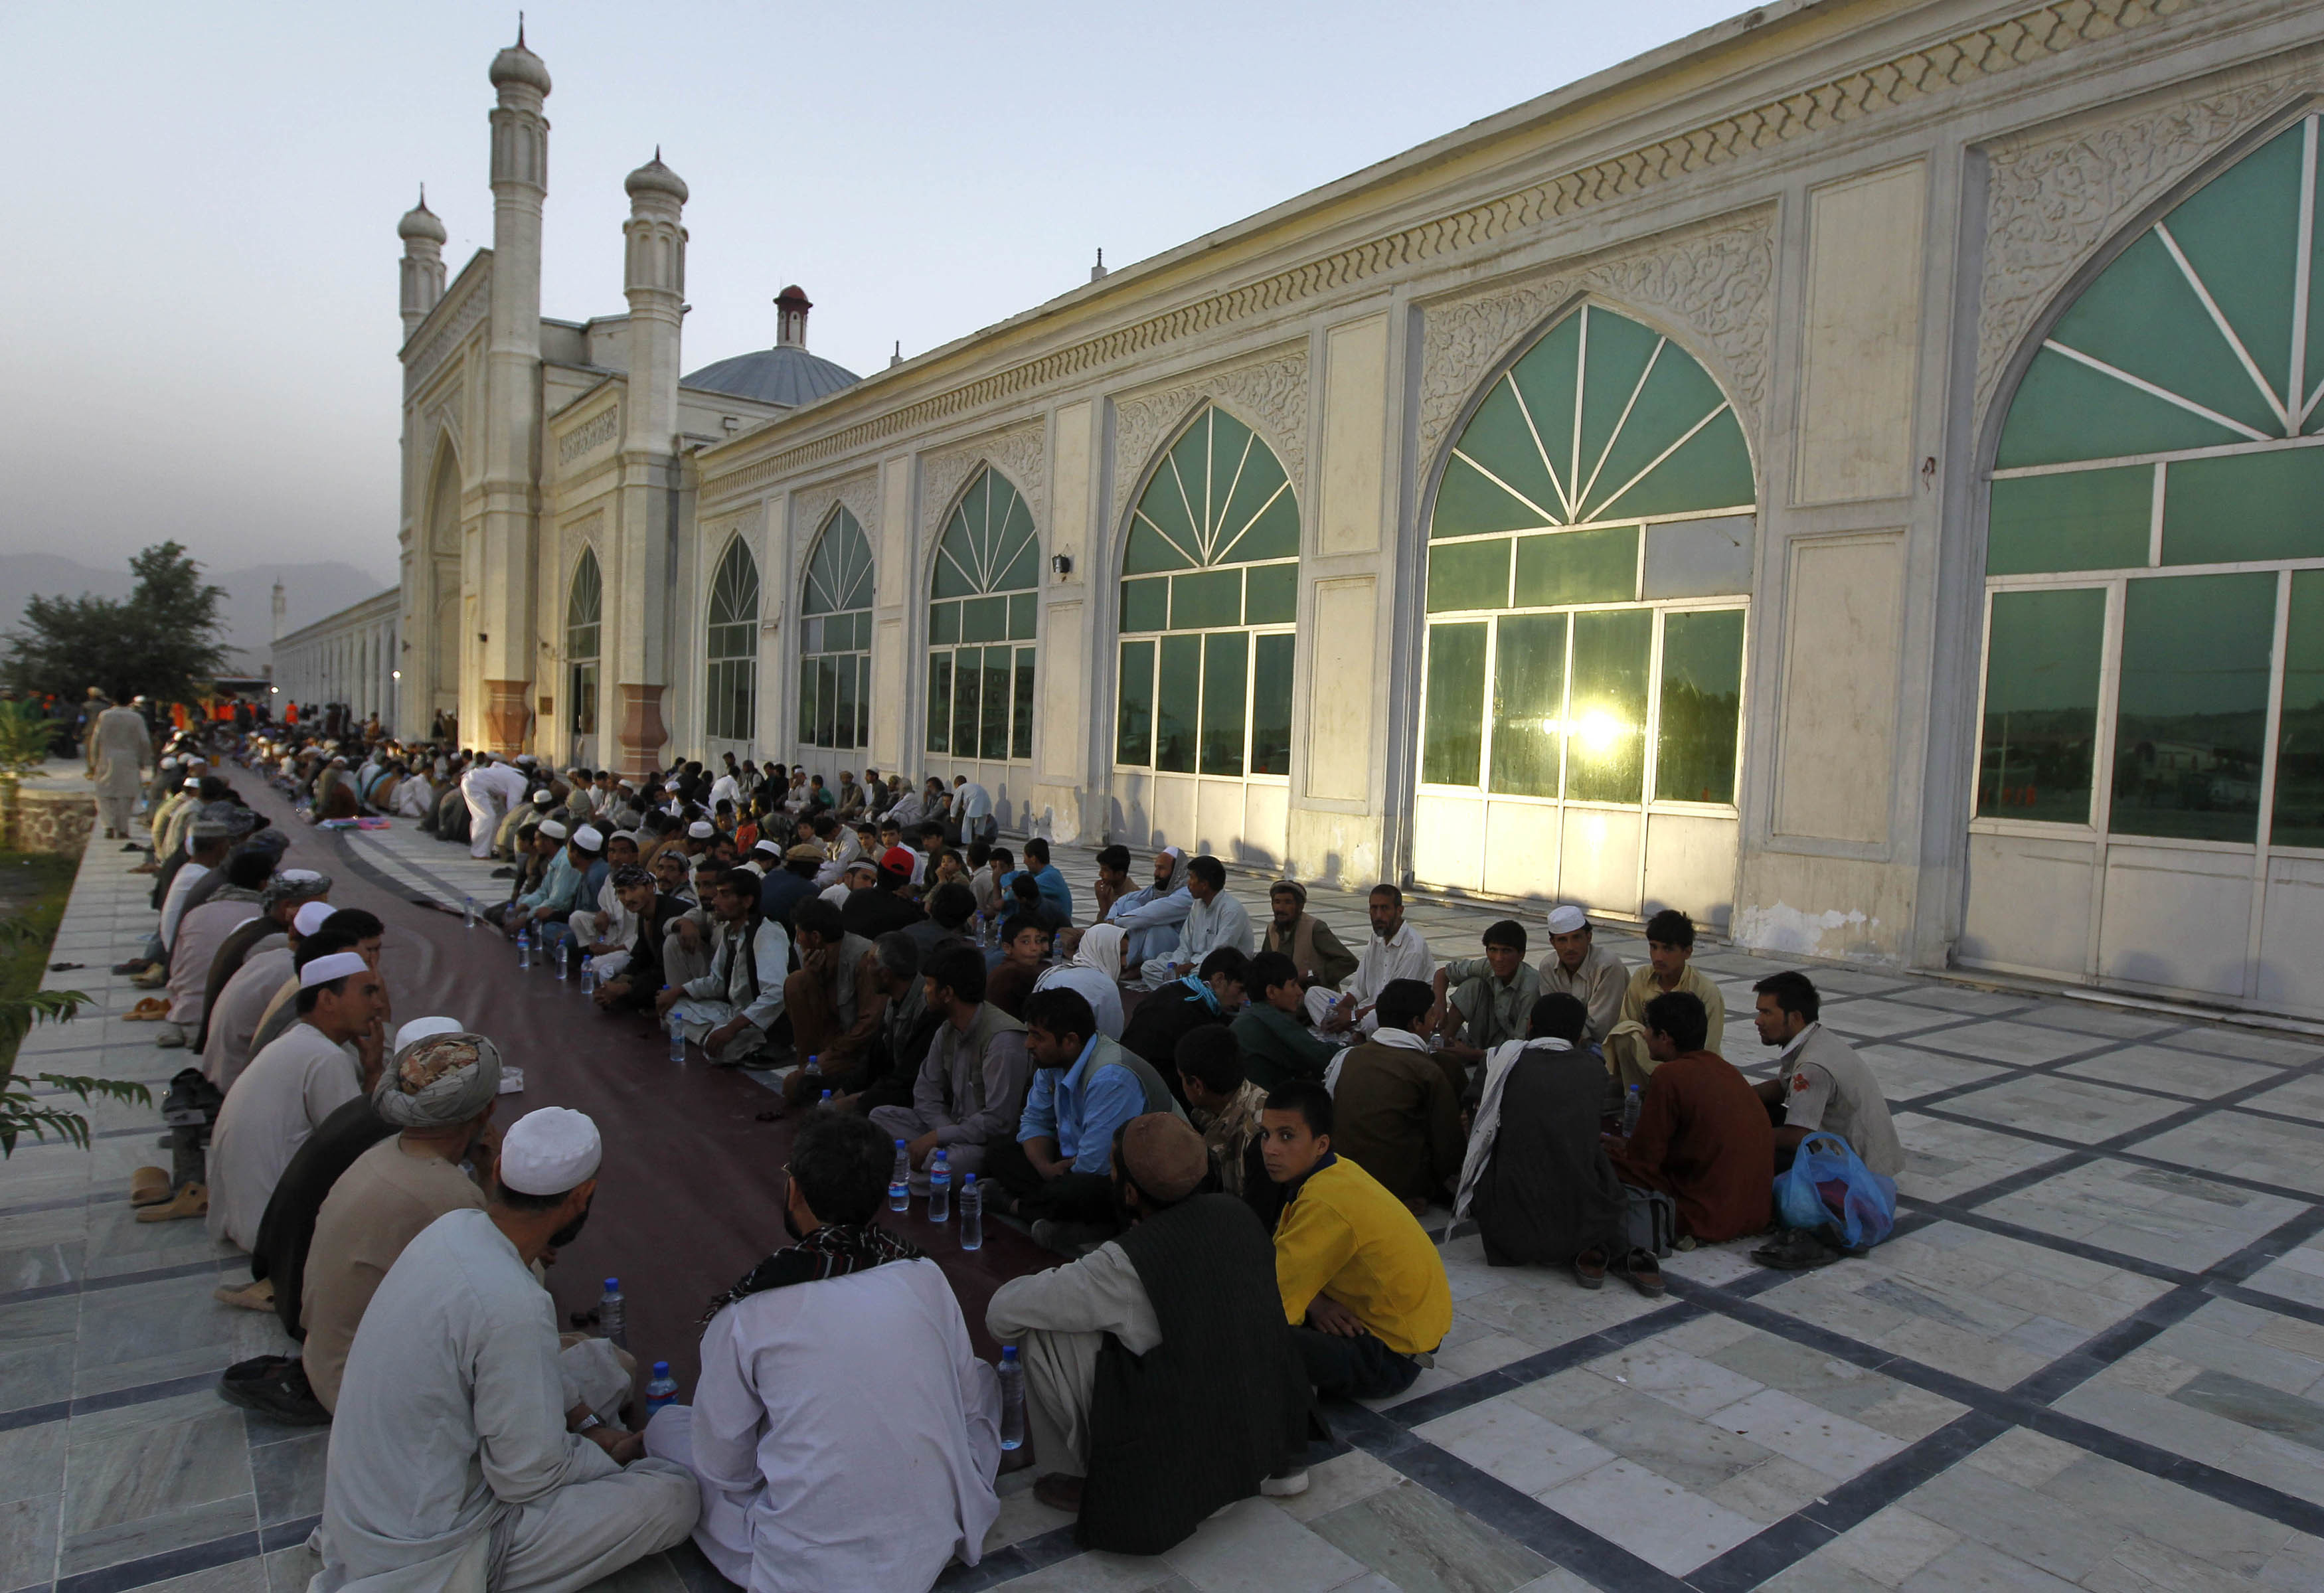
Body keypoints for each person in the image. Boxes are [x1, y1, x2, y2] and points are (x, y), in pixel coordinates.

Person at [315, 1108, 699, 1593]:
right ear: (583, 1197)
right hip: (426, 1543)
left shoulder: (456, 1227)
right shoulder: (511, 1304)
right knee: (674, 1497)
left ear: (497, 1172)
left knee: (603, 1364)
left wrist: (584, 1421)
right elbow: (525, 1476)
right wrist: (609, 1456)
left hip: (384, 1495)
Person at [645, 1114, 999, 1593]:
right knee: (981, 1377)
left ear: (795, 1191)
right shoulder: (923, 1273)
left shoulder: (749, 1311)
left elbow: (726, 1466)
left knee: (667, 1428)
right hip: (931, 1540)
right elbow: (969, 1404)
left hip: (806, 1567)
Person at [985, 1114, 1308, 1546]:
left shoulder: (1125, 1262)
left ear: (1131, 1191)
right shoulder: (1241, 1215)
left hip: (1189, 1477)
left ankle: (1082, 1476)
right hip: (1260, 1447)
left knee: (1042, 1328)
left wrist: (1081, 1276)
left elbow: (1001, 1313)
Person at [301, 1029, 506, 1411]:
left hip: (324, 1362)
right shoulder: (446, 1194)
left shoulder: (381, 1155)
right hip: (361, 1394)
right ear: (488, 1110)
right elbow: (506, 1295)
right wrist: (490, 1176)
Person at [1259, 1080, 1452, 1400]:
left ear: (1321, 1145)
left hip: (1390, 1358)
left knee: (1253, 1335)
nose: (1270, 1149)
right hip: (1409, 1332)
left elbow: (1270, 1306)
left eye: (1287, 1136)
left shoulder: (1324, 1203)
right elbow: (1283, 1260)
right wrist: (1315, 1302)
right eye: (1266, 1134)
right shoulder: (1336, 1170)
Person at [205, 945, 389, 1250]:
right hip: (274, 1236)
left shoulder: (298, 1042)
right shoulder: (325, 1057)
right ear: (328, 1000)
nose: (379, 1005)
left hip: (246, 1221)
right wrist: (374, 1076)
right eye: (368, 993)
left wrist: (371, 1072)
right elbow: (358, 1150)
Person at [1454, 993, 1642, 1287]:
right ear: (1580, 1035)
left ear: (1530, 1025)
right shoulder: (1593, 1071)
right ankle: (1599, 1246)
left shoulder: (1497, 1062)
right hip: (1575, 1220)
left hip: (1506, 1229)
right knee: (1598, 1160)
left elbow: (1472, 1120)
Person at [986, 987, 1185, 1249]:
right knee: (999, 1153)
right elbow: (1034, 1120)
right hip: (1073, 1162)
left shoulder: (1111, 1077)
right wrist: (1045, 1167)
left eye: (1037, 1036)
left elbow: (1096, 1165)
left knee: (1075, 1192)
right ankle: (1066, 1220)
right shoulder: (1052, 1061)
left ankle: (1021, 1208)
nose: (1028, 1044)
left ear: (1069, 1040)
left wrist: (1056, 1181)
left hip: (1135, 1175)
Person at [1608, 990, 1774, 1242]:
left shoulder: (1669, 1076)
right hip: (1755, 1214)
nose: (1643, 1033)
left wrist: (1621, 1153)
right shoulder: (1726, 1070)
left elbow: (1645, 1160)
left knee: (1601, 1159)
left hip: (1706, 1216)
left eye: (1649, 1028)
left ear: (1664, 1038)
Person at [869, 946, 1032, 1192]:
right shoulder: (947, 1030)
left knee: (951, 1165)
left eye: (929, 986)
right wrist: (942, 1132)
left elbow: (999, 1121)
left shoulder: (1003, 1041)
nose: (924, 991)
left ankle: (895, 1173)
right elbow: (925, 1093)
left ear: (947, 993)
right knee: (879, 1117)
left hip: (982, 1143)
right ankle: (910, 1169)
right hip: (949, 1129)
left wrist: (939, 1138)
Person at [1325, 978, 1464, 1211]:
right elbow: (1449, 1146)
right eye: (1431, 1015)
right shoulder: (1427, 1070)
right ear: (1416, 1023)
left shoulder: (1348, 1058)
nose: (1435, 1022)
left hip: (1348, 1180)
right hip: (1399, 1189)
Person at [1750, 971, 1904, 1179]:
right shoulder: (1814, 1037)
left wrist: (1742, 1136)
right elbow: (1783, 1086)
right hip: (1851, 1149)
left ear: (1795, 1017)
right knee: (1755, 1110)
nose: (1758, 1021)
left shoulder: (1813, 1066)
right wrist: (1738, 1095)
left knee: (1750, 1154)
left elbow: (1798, 1136)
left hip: (1859, 1170)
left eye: (1767, 1013)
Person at [657, 873, 791, 1066]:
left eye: (724, 895)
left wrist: (731, 1030)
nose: (715, 901)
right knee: (671, 1009)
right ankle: (714, 1037)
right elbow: (717, 982)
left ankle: (726, 1039)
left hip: (761, 1023)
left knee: (722, 1052)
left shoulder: (767, 933)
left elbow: (776, 993)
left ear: (746, 902)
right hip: (733, 1012)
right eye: (717, 894)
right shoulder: (731, 932)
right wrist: (677, 992)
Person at [1608, 910, 1726, 1092]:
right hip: (1650, 1058)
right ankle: (1638, 1095)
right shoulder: (1642, 977)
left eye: (1668, 949)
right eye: (1654, 947)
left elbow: (1708, 1048)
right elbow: (1628, 1022)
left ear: (1687, 952)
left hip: (1691, 1071)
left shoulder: (1705, 991)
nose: (1658, 957)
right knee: (1624, 1034)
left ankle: (1665, 1089)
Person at [776, 898, 879, 1102]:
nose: (797, 941)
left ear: (815, 937)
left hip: (857, 1051)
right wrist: (813, 979)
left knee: (793, 1085)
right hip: (834, 1045)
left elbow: (870, 1024)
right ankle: (808, 1068)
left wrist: (831, 1054)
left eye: (799, 934)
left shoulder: (862, 958)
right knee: (797, 982)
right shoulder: (820, 959)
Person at [1307, 884, 1434, 1035]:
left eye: (1384, 908)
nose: (1378, 915)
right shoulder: (1377, 937)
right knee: (1314, 995)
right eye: (1374, 908)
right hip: (1366, 1009)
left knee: (1372, 1020)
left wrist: (1353, 1017)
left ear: (1399, 911)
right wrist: (1341, 1009)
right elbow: (1359, 987)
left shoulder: (1414, 948)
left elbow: (1396, 1003)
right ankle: (1350, 1035)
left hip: (1399, 1016)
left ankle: (1353, 1036)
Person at [1174, 1026, 1272, 1209]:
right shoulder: (1220, 1109)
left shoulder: (1259, 1136)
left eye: (1182, 1078)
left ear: (1197, 1086)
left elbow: (1257, 1220)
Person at [1434, 920, 1540, 1076]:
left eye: (1506, 951)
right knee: (1473, 985)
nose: (1498, 958)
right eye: (1493, 950)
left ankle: (1467, 1054)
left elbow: (1520, 1046)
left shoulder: (1530, 988)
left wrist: (1473, 1054)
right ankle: (1443, 1044)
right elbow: (1443, 973)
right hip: (1487, 1036)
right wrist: (1440, 1005)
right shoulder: (1487, 967)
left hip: (1512, 1052)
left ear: (1521, 955)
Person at [1121, 946, 1248, 1077]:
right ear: (1219, 979)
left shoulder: (1174, 989)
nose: (1243, 999)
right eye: (1240, 990)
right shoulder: (1195, 1015)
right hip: (1153, 1086)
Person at [1134, 856, 1252, 990]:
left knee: (1198, 975)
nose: (1188, 883)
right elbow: (1185, 944)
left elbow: (1219, 953)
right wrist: (1175, 965)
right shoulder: (1198, 905)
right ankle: (1184, 991)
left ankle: (1180, 991)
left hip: (1225, 968)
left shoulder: (1232, 910)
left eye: (1191, 878)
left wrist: (1189, 966)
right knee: (1150, 968)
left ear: (1205, 884)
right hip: (1192, 964)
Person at [1230, 951, 1340, 1090]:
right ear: (1271, 992)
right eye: (1293, 985)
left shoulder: (1253, 1014)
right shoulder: (1270, 1019)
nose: (1300, 992)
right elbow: (1324, 1057)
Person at [1539, 905, 1626, 1045]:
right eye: (1562, 940)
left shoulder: (1607, 966)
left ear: (1589, 937)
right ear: (1553, 943)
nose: (1570, 947)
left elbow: (1601, 1027)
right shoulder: (1548, 967)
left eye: (1576, 938)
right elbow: (1551, 1017)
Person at [1031, 922, 1126, 1041]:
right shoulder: (1106, 987)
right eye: (1120, 954)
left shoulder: (1055, 973)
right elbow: (1111, 1038)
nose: (1124, 962)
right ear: (1103, 950)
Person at [1261, 880, 1358, 993]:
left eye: (1288, 903)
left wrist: (1311, 975)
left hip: (1314, 998)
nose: (1281, 908)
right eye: (1277, 902)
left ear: (1300, 906)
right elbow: (1265, 964)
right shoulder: (1272, 929)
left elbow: (1349, 962)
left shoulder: (1315, 928)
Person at [1106, 848, 1189, 969]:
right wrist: (1110, 921)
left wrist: (1116, 922)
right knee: (1130, 905)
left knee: (1154, 926)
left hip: (1179, 949)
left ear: (1177, 871)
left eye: (1161, 868)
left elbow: (1154, 913)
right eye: (1156, 868)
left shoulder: (1188, 894)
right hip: (1156, 941)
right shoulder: (1161, 888)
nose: (1156, 873)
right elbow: (1123, 901)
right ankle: (1128, 962)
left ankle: (1134, 964)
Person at [88, 695, 153, 839]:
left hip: (106, 758)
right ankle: (123, 829)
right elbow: (145, 741)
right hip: (129, 759)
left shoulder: (104, 716)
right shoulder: (136, 718)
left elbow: (95, 740)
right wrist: (143, 760)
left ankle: (109, 826)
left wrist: (93, 762)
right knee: (126, 795)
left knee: (104, 794)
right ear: (130, 701)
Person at [459, 753, 531, 860]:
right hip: (474, 785)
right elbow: (513, 808)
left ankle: (493, 848)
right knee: (486, 817)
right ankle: (479, 853)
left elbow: (496, 766)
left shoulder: (512, 772)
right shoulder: (521, 781)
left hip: (478, 784)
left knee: (499, 816)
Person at [984, 913, 1051, 1019]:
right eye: (1025, 942)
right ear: (1007, 948)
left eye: (1038, 941)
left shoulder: (1004, 968)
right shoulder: (1017, 973)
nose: (1034, 948)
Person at [1004, 837, 1073, 924]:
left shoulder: (1050, 877)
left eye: (1025, 857)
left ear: (1033, 858)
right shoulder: (1036, 874)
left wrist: (1007, 891)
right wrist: (1008, 886)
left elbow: (1015, 893)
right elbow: (1008, 876)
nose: (1024, 862)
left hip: (1057, 929)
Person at [950, 774, 995, 845]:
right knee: (982, 821)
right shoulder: (973, 786)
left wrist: (953, 816)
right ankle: (977, 839)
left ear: (957, 784)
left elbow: (955, 802)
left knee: (967, 821)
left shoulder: (961, 787)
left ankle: (967, 842)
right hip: (986, 801)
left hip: (976, 801)